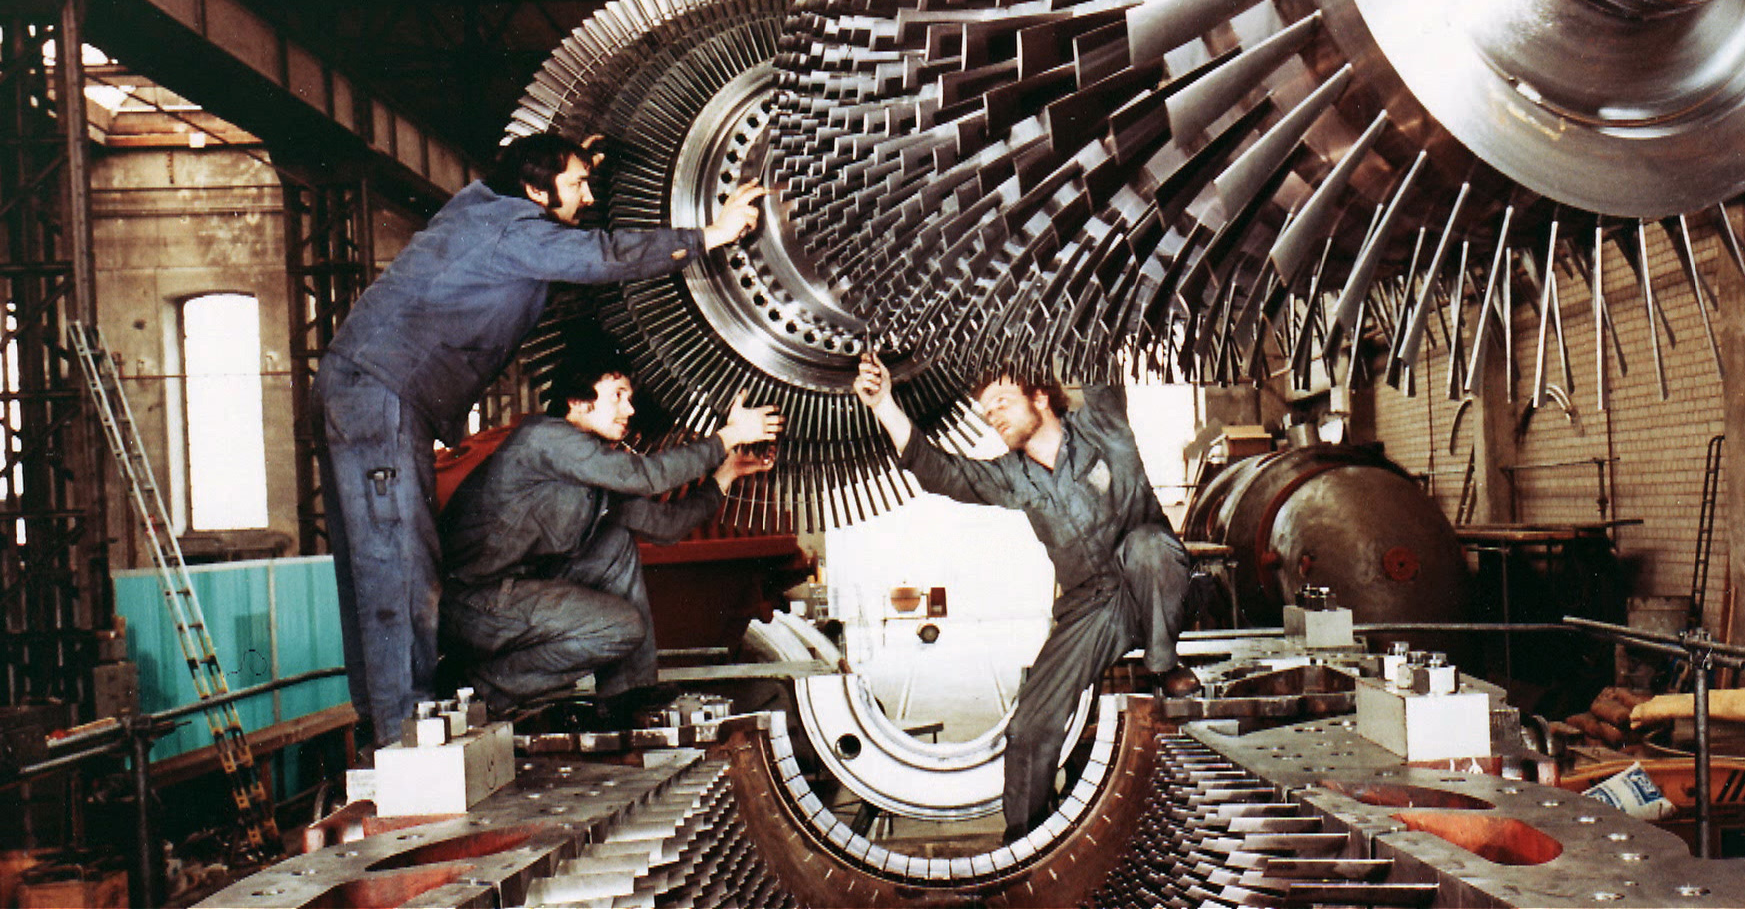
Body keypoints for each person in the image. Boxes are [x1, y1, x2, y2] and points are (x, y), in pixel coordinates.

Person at [315, 131, 767, 747]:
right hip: (381, 393)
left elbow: (655, 521)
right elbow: (601, 255)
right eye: (578, 184)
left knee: (375, 564)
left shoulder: (484, 207)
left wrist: (570, 159)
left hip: (365, 388)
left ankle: (619, 701)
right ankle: (405, 742)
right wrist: (709, 236)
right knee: (397, 564)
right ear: (533, 189)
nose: (588, 197)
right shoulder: (515, 230)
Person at [853, 354, 1198, 843]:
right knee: (1029, 728)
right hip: (1090, 608)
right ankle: (1024, 841)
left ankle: (1163, 666)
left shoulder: (1104, 427)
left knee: (1148, 547)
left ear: (1040, 397)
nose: (992, 415)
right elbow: (941, 472)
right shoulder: (1013, 475)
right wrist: (884, 405)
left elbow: (1099, 355)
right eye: (986, 410)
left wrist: (1055, 323)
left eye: (1001, 401)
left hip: (1153, 580)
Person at [437, 349, 780, 716]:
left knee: (614, 543)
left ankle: (627, 691)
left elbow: (665, 527)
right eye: (617, 395)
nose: (629, 410)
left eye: (629, 398)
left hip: (511, 592)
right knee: (620, 629)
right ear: (577, 401)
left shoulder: (592, 467)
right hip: (472, 604)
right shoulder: (543, 438)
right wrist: (729, 436)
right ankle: (476, 687)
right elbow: (647, 476)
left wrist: (725, 475)